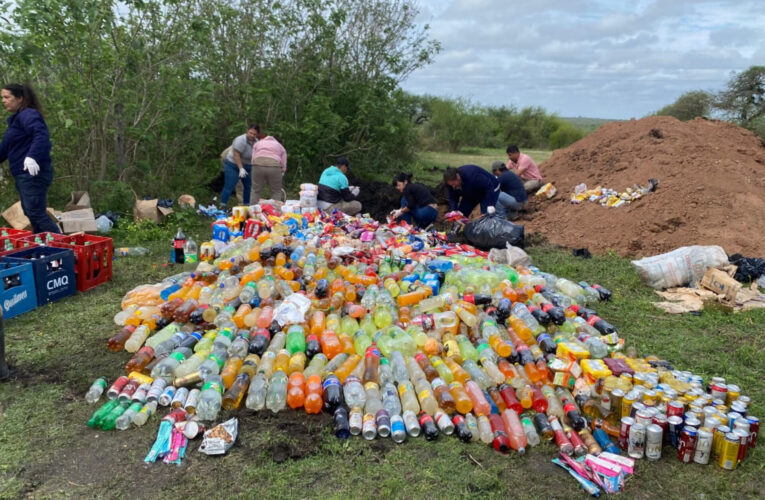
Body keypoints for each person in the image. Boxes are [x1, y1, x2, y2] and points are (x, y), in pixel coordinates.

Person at [0, 84, 60, 234]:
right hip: (23, 174)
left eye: (7, 97)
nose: (3, 101)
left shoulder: (28, 114)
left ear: (20, 98)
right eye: (2, 98)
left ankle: (65, 250)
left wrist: (32, 157)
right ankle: (45, 249)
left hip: (32, 173)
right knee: (31, 212)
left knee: (36, 212)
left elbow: (41, 135)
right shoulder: (15, 121)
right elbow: (5, 149)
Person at [443, 165, 516, 219]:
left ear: (458, 177)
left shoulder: (472, 176)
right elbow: (452, 196)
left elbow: (488, 185)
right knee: (460, 214)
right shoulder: (450, 183)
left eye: (453, 184)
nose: (453, 186)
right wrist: (454, 210)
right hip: (470, 192)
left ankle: (499, 228)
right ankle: (456, 233)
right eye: (451, 185)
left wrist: (490, 204)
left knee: (488, 215)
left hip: (489, 188)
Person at [220, 124, 258, 206]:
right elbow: (236, 155)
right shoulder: (240, 140)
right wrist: (241, 168)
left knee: (248, 186)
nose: (252, 135)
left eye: (254, 134)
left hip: (248, 166)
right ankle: (222, 205)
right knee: (229, 185)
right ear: (247, 131)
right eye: (250, 133)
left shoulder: (257, 142)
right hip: (233, 165)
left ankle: (246, 205)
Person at [250, 131, 287, 203]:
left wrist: (254, 166)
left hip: (257, 165)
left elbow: (253, 157)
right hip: (274, 166)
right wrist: (283, 171)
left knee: (255, 190)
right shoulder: (280, 146)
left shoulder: (258, 143)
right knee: (276, 191)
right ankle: (275, 212)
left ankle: (253, 211)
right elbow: (283, 161)